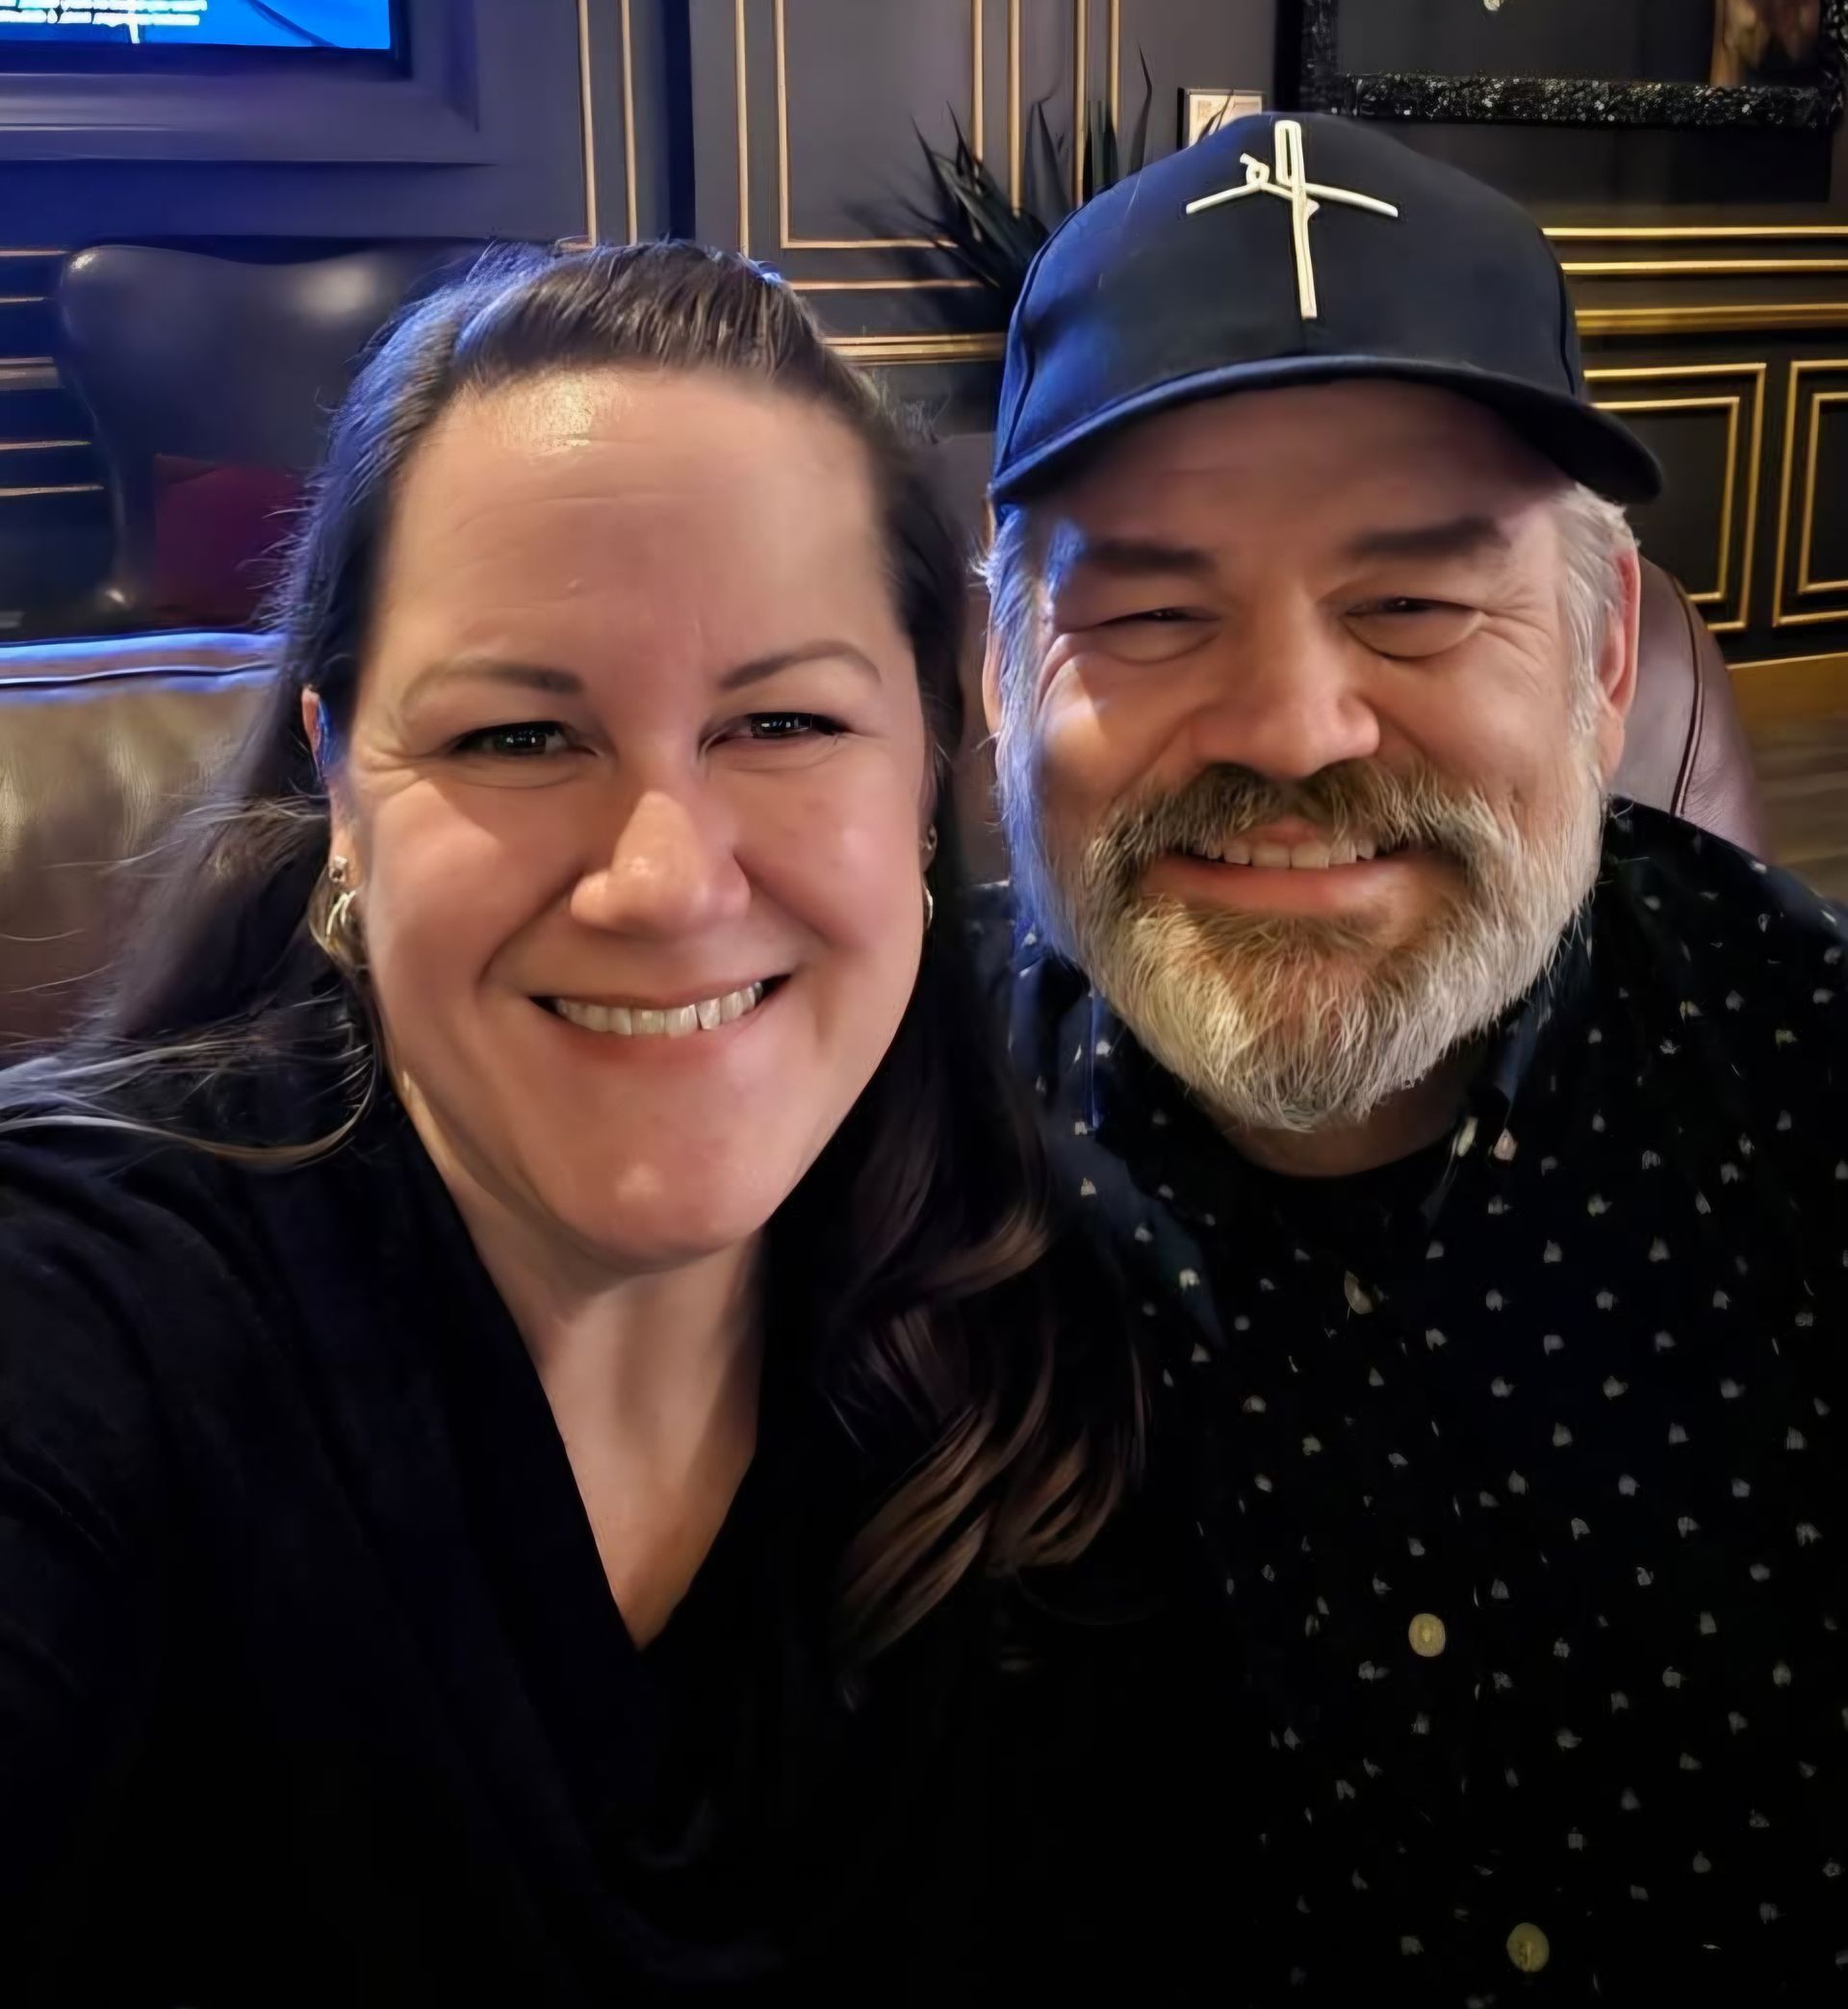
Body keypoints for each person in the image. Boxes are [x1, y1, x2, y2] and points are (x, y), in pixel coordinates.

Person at [0, 243, 1154, 2005]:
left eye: (784, 720)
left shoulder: (1044, 1314)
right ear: (339, 789)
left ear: (929, 769)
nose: (665, 882)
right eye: (520, 737)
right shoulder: (86, 1305)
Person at [980, 113, 1848, 2000]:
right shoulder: (877, 1137)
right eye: (1150, 613)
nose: (1294, 731)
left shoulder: (1813, 1084)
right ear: (999, 680)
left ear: (1603, 659)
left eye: (1416, 604)